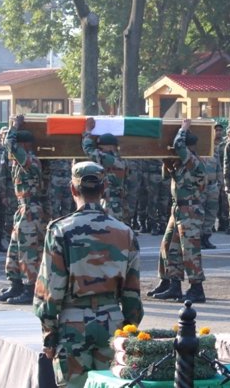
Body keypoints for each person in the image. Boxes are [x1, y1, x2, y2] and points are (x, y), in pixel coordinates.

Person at [33, 161, 143, 388]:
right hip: (112, 323)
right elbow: (132, 292)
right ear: (104, 189)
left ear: (72, 189)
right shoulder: (124, 232)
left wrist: (49, 335)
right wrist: (129, 332)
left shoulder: (61, 230)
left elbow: (52, 289)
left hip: (72, 324)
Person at [149, 119, 208, 303]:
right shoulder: (182, 165)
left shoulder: (194, 162)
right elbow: (166, 175)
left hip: (190, 209)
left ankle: (197, 288)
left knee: (189, 250)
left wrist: (183, 129)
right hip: (178, 209)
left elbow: (177, 143)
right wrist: (166, 160)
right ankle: (171, 283)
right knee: (169, 246)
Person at [0, 115, 45, 305]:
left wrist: (14, 127)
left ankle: (31, 289)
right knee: (14, 249)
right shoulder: (21, 162)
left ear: (24, 146)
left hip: (31, 210)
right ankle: (16, 285)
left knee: (28, 251)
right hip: (23, 208)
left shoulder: (30, 160)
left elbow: (10, 145)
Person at [81, 119, 128, 222]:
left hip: (110, 203)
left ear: (110, 146)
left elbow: (88, 149)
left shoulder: (108, 159)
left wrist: (88, 131)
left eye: (101, 147)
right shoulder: (120, 160)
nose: (99, 149)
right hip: (116, 201)